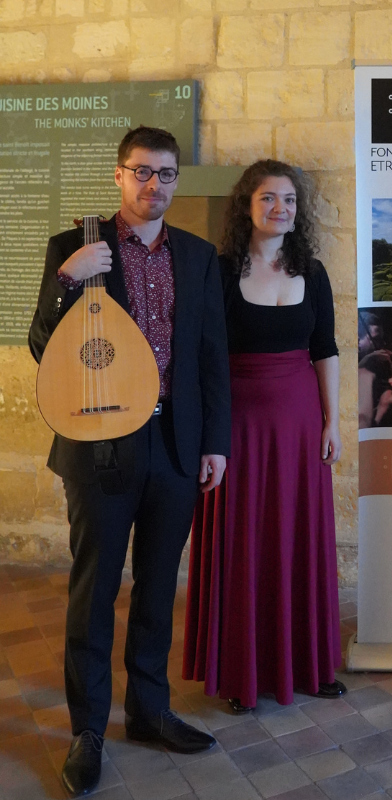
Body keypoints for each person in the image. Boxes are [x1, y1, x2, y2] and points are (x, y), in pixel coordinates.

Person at [28, 126, 231, 796]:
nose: (155, 186)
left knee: (155, 587)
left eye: (166, 174)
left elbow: (210, 360)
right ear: (119, 176)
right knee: (93, 593)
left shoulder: (199, 258)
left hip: (175, 443)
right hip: (99, 443)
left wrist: (215, 443)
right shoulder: (75, 248)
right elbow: (40, 346)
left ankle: (148, 710)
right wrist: (66, 280)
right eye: (142, 173)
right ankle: (88, 730)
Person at [182, 159, 344, 714]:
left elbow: (325, 348)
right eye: (269, 199)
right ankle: (240, 672)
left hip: (300, 424)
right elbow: (207, 356)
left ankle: (310, 665)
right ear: (246, 207)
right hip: (239, 425)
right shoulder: (220, 271)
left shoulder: (313, 272)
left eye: (290, 201)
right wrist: (210, 432)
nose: (281, 209)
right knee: (244, 542)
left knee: (300, 538)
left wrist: (333, 421)